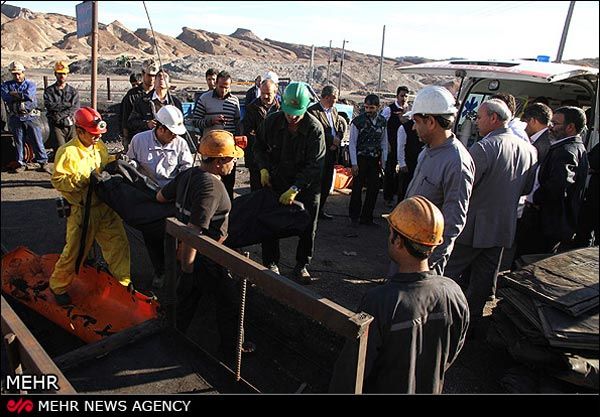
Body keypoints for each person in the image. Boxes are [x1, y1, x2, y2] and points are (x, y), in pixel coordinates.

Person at [329, 196, 469, 393]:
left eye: (391, 233)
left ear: (398, 241)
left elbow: (352, 372)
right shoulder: (453, 293)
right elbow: (450, 353)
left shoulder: (380, 301)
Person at [156, 130, 254, 358]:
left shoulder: (189, 174)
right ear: (219, 162)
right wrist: (187, 270)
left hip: (187, 251)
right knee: (229, 302)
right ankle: (230, 351)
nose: (235, 162)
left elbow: (161, 196)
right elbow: (193, 232)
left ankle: (172, 337)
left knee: (188, 301)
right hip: (204, 256)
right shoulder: (211, 187)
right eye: (232, 158)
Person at [444, 99, 537, 324]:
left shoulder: (484, 147)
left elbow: (465, 185)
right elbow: (526, 188)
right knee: (484, 279)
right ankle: (472, 320)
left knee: (447, 272)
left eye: (479, 117)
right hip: (502, 227)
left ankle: (440, 316)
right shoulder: (529, 150)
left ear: (494, 118)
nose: (476, 122)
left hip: (473, 227)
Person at [50, 107, 131, 305]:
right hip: (83, 213)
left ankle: (123, 285)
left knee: (118, 245)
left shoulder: (98, 146)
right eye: (93, 135)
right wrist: (84, 178)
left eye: (98, 135)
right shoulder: (68, 153)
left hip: (105, 206)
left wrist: (116, 161)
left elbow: (104, 160)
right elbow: (59, 180)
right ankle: (58, 286)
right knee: (75, 252)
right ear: (80, 131)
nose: (97, 138)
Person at [253, 82, 325, 283]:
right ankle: (271, 262)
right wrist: (263, 168)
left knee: (308, 225)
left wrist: (296, 188)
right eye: (288, 112)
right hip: (278, 178)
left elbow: (315, 165)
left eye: (296, 113)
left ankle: (302, 264)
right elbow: (258, 146)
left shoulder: (314, 129)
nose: (291, 117)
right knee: (269, 220)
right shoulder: (273, 121)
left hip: (307, 185)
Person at [404, 86, 475, 275]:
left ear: (431, 122)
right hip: (406, 253)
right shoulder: (427, 150)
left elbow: (453, 223)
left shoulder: (456, 163)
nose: (413, 127)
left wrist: (426, 265)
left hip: (423, 265)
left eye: (416, 121)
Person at [516, 106, 589, 255]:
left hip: (545, 223)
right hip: (548, 221)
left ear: (570, 127)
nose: (550, 127)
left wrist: (535, 199)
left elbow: (558, 186)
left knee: (526, 262)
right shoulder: (571, 147)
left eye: (555, 124)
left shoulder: (566, 151)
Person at [191, 70, 241, 200]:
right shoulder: (204, 99)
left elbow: (237, 122)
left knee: (228, 183)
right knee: (209, 182)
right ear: (216, 84)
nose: (224, 90)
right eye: (221, 86)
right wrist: (211, 121)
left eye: (227, 87)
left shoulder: (234, 101)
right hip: (210, 149)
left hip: (228, 150)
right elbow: (195, 121)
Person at [1, 61, 49, 173]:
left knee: (37, 139)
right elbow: (6, 96)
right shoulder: (6, 85)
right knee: (18, 141)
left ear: (23, 73)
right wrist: (20, 96)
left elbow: (29, 95)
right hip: (16, 117)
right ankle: (20, 163)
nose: (17, 76)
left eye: (19, 74)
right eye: (14, 74)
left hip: (30, 117)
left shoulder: (30, 84)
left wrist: (15, 95)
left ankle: (42, 162)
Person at [307, 85, 346, 220]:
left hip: (331, 153)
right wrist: (331, 141)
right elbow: (316, 132)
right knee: (316, 184)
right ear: (327, 97)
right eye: (334, 98)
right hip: (319, 153)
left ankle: (320, 209)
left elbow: (339, 127)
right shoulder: (313, 112)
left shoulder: (334, 111)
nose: (336, 100)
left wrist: (338, 140)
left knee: (327, 183)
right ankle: (311, 211)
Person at [348, 94, 388, 225]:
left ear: (378, 107)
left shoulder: (382, 122)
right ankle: (354, 216)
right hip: (361, 158)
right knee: (357, 188)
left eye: (371, 108)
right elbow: (352, 143)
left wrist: (384, 160)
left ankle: (367, 217)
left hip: (374, 159)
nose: (369, 110)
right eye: (366, 107)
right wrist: (354, 163)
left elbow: (384, 142)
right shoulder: (358, 122)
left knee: (373, 189)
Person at [241, 78, 280, 191]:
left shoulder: (281, 108)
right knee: (257, 191)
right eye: (263, 93)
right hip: (257, 158)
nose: (265, 97)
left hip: (277, 158)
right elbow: (249, 132)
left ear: (275, 93)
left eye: (268, 94)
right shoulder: (252, 108)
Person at [127, 69, 183, 140]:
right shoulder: (142, 101)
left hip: (169, 142)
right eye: (159, 76)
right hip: (147, 141)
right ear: (154, 81)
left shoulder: (175, 103)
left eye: (165, 77)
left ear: (169, 84)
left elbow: (180, 126)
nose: (162, 78)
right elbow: (131, 123)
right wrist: (146, 124)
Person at [120, 59, 158, 151]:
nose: (152, 79)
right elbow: (126, 120)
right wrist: (126, 141)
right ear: (143, 73)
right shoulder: (132, 95)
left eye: (154, 76)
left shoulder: (159, 94)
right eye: (149, 75)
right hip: (138, 139)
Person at [381, 86, 410, 207]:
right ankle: (388, 196)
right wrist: (385, 143)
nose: (404, 98)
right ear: (397, 96)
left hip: (404, 145)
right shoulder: (389, 110)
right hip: (392, 144)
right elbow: (382, 126)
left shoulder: (409, 110)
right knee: (390, 170)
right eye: (402, 95)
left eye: (406, 96)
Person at [44, 61, 79, 155]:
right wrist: (67, 105)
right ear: (55, 74)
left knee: (73, 149)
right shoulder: (49, 91)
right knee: (61, 149)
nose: (62, 76)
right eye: (59, 74)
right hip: (56, 125)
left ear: (67, 75)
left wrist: (60, 113)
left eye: (64, 73)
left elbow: (75, 107)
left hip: (71, 124)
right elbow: (49, 105)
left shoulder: (73, 91)